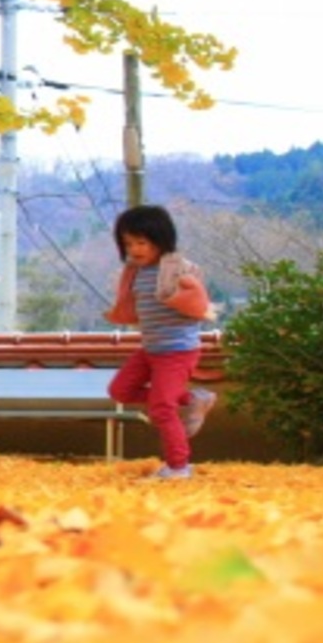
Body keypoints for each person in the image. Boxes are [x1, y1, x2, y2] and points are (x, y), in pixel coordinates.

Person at [104, 204, 216, 479]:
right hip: (151, 349)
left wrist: (189, 294)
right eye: (128, 243)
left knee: (162, 408)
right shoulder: (135, 272)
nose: (134, 249)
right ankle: (192, 399)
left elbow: (198, 303)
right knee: (120, 390)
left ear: (161, 240)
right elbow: (130, 303)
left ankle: (179, 466)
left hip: (178, 351)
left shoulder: (180, 270)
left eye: (141, 242)